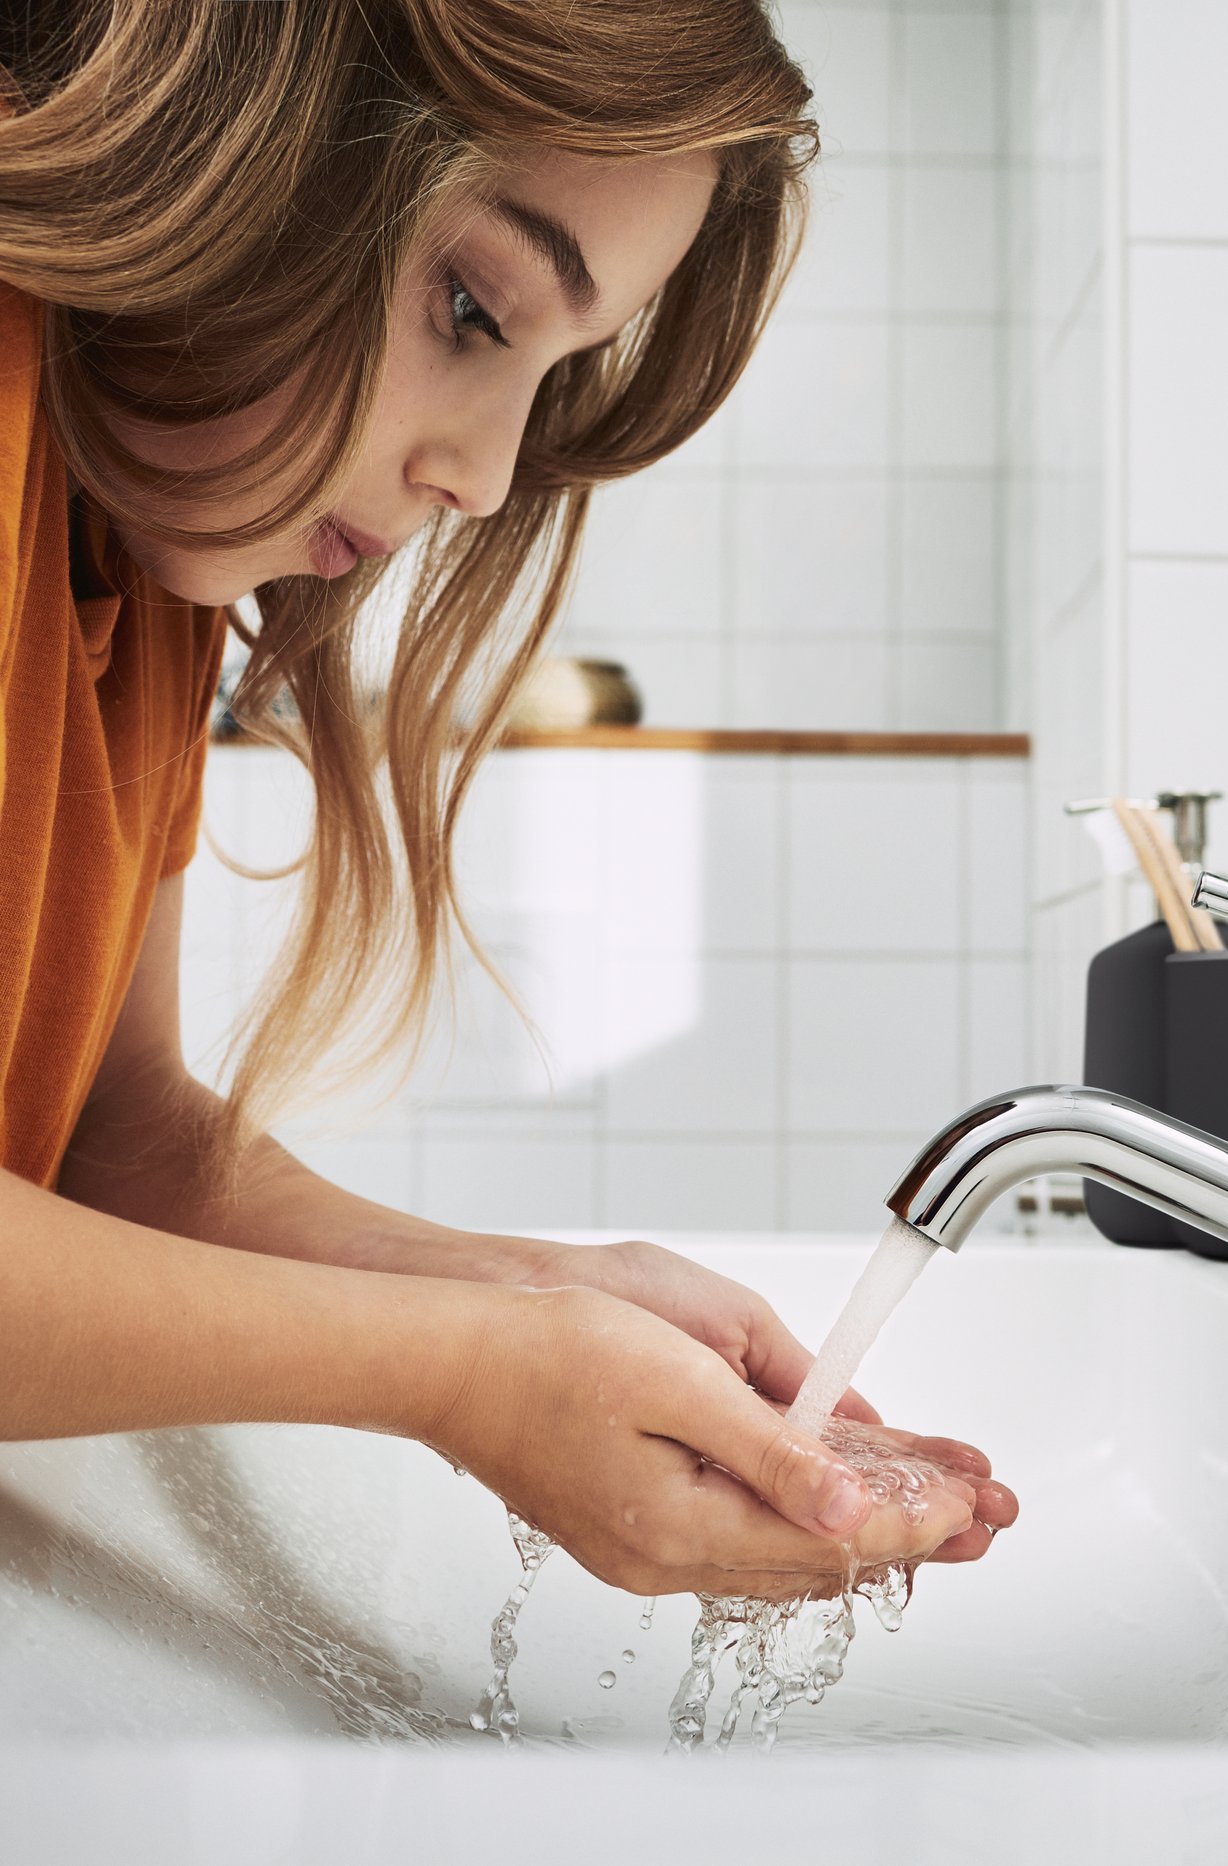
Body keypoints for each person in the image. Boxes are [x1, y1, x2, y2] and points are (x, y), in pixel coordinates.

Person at [0, 0, 1016, 1607]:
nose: (483, 474)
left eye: (547, 371)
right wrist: (466, 1369)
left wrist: (562, 1298)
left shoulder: (152, 557)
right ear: (241, 120)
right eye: (474, 307)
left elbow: (118, 1142)